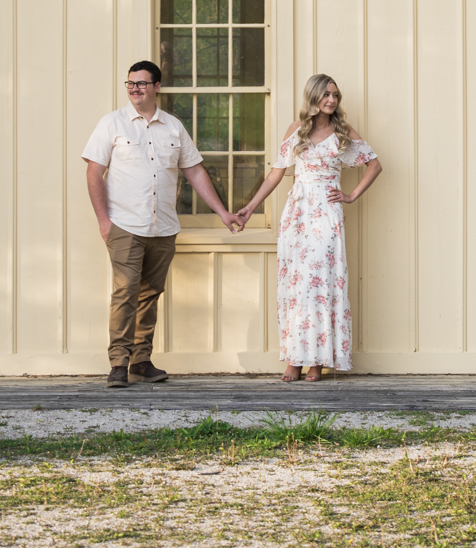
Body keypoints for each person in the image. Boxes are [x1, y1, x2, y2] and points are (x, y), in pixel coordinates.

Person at [82, 61, 242, 388]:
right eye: (130, 83)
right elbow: (94, 172)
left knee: (150, 293)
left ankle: (141, 360)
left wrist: (223, 212)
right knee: (125, 292)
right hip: (125, 224)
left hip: (163, 227)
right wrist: (104, 222)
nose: (135, 89)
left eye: (141, 83)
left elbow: (194, 171)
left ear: (157, 86)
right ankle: (118, 363)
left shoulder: (173, 127)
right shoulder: (112, 124)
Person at [236, 74, 381, 381]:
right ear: (313, 97)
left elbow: (374, 164)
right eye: (326, 94)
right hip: (297, 213)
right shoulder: (296, 130)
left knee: (321, 284)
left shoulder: (342, 131)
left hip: (326, 212)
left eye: (335, 95)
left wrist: (351, 195)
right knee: (296, 284)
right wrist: (250, 207)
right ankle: (294, 359)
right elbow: (277, 173)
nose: (331, 100)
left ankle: (317, 361)